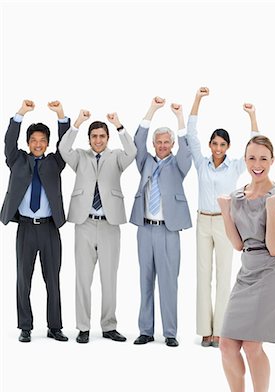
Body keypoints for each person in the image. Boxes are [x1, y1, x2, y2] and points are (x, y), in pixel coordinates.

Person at [217, 135, 275, 392]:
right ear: (245, 160)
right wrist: (225, 212)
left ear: (272, 160)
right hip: (247, 270)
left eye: (263, 158)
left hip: (273, 273)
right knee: (226, 344)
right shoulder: (237, 197)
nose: (257, 164)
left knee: (251, 344)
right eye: (252, 158)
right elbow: (238, 245)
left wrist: (271, 210)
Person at [187, 87, 259, 347]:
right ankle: (205, 330)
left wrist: (252, 116)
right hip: (203, 221)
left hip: (226, 222)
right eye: (214, 143)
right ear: (210, 145)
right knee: (203, 274)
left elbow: (256, 145)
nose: (218, 148)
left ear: (228, 147)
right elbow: (191, 135)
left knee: (224, 274)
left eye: (222, 144)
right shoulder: (201, 163)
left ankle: (220, 331)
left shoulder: (236, 166)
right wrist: (198, 99)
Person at [59, 109, 137, 343]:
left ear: (108, 138)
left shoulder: (117, 157)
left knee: (109, 277)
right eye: (94, 136)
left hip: (109, 224)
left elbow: (133, 151)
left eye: (102, 136)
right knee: (83, 277)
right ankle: (83, 327)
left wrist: (119, 126)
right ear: (89, 138)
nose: (98, 140)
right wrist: (78, 123)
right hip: (84, 223)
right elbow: (63, 149)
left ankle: (109, 326)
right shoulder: (79, 157)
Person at [0, 100, 70, 342]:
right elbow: (9, 141)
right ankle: (25, 326)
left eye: (42, 141)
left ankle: (55, 326)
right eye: (34, 141)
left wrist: (61, 115)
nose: (38, 145)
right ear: (28, 143)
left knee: (53, 278)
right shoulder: (17, 160)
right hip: (26, 229)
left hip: (50, 228)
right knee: (23, 279)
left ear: (47, 143)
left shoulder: (55, 162)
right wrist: (21, 113)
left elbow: (66, 144)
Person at [130, 96, 192, 347]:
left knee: (168, 283)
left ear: (172, 144)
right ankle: (145, 330)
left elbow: (188, 151)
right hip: (145, 229)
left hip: (169, 231)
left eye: (167, 142)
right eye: (159, 142)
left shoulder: (179, 165)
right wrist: (152, 110)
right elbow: (137, 142)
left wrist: (179, 117)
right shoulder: (145, 161)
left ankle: (170, 332)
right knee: (145, 280)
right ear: (154, 144)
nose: (163, 146)